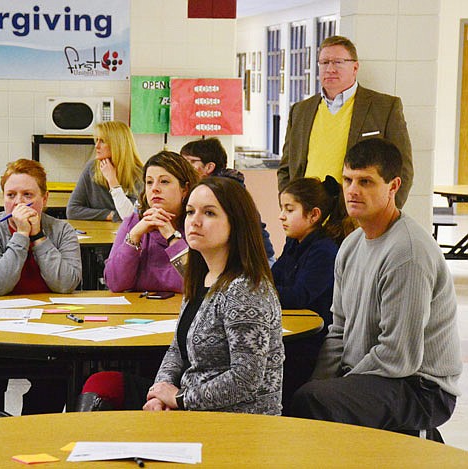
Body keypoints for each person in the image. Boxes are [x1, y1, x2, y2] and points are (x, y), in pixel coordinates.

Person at [290, 138, 462, 440]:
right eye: (348, 180)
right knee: (291, 379)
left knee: (312, 400)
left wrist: (333, 386)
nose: (353, 190)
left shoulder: (407, 253)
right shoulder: (351, 246)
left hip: (420, 387)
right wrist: (315, 379)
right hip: (376, 375)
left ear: (393, 186)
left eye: (366, 181)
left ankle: (418, 437)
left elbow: (398, 357)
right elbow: (338, 331)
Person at [76, 177, 284, 414]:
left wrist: (180, 398)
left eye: (209, 213)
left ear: (236, 224)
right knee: (102, 383)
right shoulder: (201, 278)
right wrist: (159, 393)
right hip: (190, 405)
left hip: (233, 421)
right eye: (190, 211)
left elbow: (246, 379)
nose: (195, 221)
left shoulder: (246, 289)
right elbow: (177, 349)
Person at [0, 158, 81, 414]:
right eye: (11, 195)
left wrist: (39, 237)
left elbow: (66, 284)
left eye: (28, 195)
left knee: (58, 378)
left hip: (45, 328)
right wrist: (21, 236)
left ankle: (33, 438)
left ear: (44, 199)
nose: (19, 203)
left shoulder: (62, 230)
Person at [277, 35, 413, 209]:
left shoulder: (384, 108)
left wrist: (384, 216)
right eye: (324, 62)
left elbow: (403, 169)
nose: (330, 69)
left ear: (355, 68)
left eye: (338, 62)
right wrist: (289, 207)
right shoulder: (301, 110)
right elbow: (286, 169)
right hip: (307, 221)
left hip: (358, 219)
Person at [272, 176, 353, 414]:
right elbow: (271, 278)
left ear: (314, 215)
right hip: (290, 326)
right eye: (281, 209)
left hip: (313, 339)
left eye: (289, 209)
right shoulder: (294, 242)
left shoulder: (324, 250)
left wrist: (263, 290)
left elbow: (298, 296)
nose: (281, 216)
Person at [103, 151, 199, 293]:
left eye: (164, 181)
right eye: (149, 182)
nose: (154, 188)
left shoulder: (197, 224)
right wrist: (134, 236)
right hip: (138, 311)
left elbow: (196, 284)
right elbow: (115, 284)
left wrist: (172, 237)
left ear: (184, 189)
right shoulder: (133, 223)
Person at [180, 137, 276, 261]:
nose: (183, 167)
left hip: (252, 261)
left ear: (209, 167)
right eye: (190, 212)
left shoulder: (224, 191)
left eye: (190, 161)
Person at [66, 120, 144, 222]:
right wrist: (112, 215)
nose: (96, 146)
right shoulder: (92, 168)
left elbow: (131, 217)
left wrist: (113, 181)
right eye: (96, 140)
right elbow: (72, 211)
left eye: (102, 141)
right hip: (98, 232)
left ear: (117, 145)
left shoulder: (139, 173)